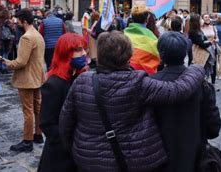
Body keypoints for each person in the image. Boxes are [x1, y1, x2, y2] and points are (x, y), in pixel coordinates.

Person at [59, 31, 206, 171]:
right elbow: (177, 90)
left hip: (89, 160)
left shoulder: (81, 81)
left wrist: (77, 148)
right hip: (132, 160)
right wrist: (196, 69)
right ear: (129, 56)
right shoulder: (137, 82)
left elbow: (66, 123)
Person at [152, 32, 221, 172]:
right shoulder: (202, 84)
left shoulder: (150, 84)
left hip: (160, 157)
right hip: (193, 157)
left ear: (161, 54)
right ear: (185, 54)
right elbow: (213, 128)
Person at [38, 33, 87, 172]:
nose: (83, 54)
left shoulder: (79, 77)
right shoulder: (54, 84)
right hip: (60, 157)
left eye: (84, 49)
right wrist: (69, 142)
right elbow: (47, 123)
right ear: (66, 54)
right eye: (78, 50)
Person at [4, 9, 46, 152]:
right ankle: (38, 135)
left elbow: (21, 62)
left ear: (24, 21)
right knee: (37, 108)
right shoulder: (38, 34)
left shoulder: (26, 37)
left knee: (28, 111)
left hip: (27, 79)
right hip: (37, 77)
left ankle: (27, 141)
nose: (16, 23)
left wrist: (5, 62)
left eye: (18, 20)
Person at [123, 5, 160, 74]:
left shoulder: (123, 34)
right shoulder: (152, 37)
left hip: (126, 73)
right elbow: (158, 57)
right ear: (147, 20)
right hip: (146, 75)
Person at [188, 14, 214, 80]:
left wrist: (209, 41)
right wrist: (210, 42)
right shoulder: (193, 32)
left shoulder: (199, 30)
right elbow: (201, 44)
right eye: (200, 19)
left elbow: (205, 39)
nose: (202, 21)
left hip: (202, 56)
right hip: (197, 55)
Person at [0, 9, 15, 74]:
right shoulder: (7, 21)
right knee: (5, 54)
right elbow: (12, 29)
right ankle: (4, 68)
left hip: (0, 39)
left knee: (1, 54)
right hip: (6, 40)